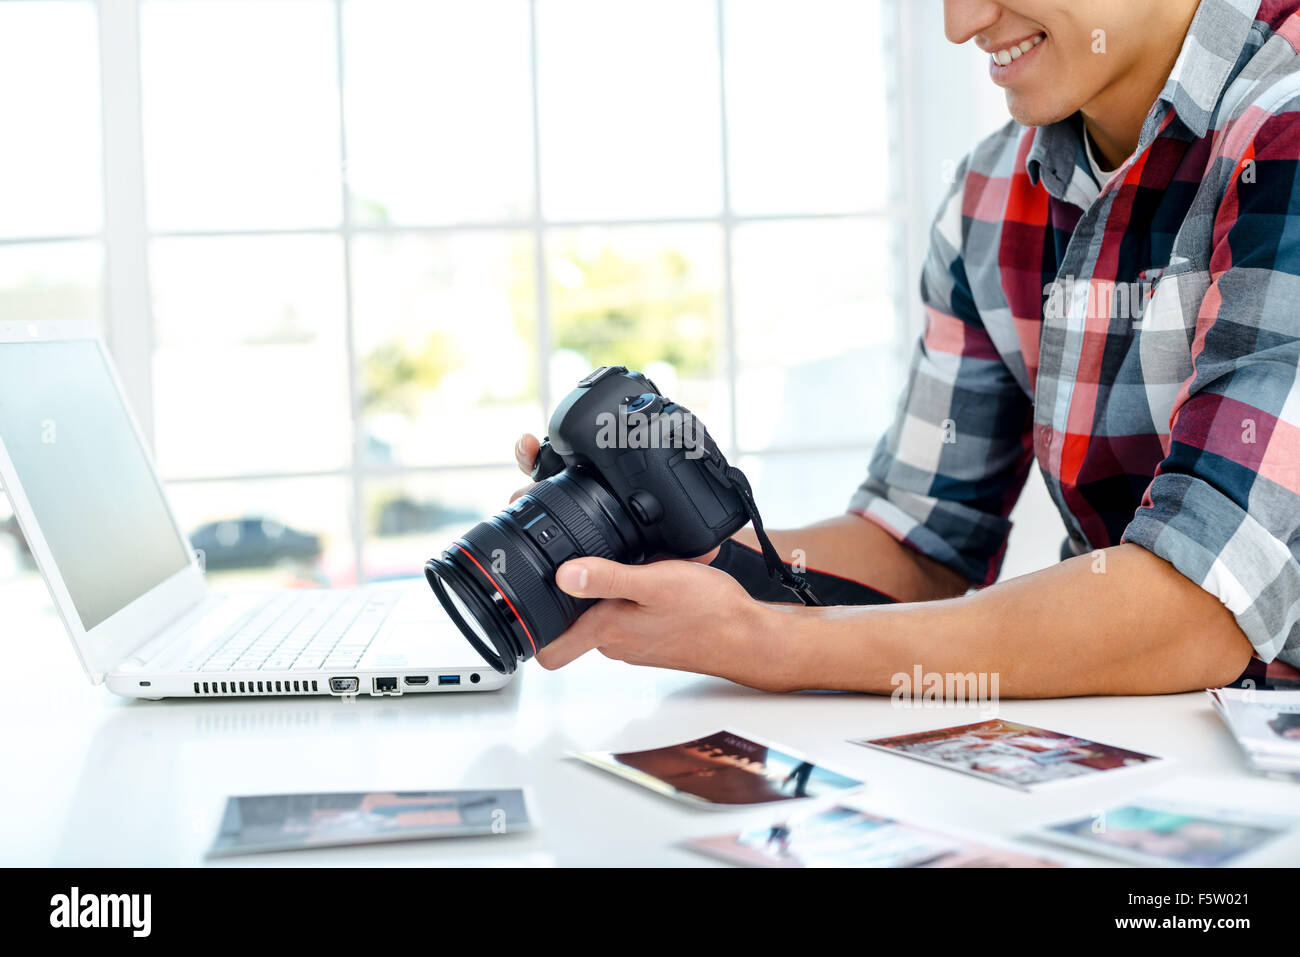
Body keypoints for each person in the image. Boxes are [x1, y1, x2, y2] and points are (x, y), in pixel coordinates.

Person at [513, 0, 1300, 696]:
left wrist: (773, 644)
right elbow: (920, 540)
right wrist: (685, 552)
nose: (961, 24)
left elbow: (1198, 604)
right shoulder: (993, 190)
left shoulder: (1286, 126)